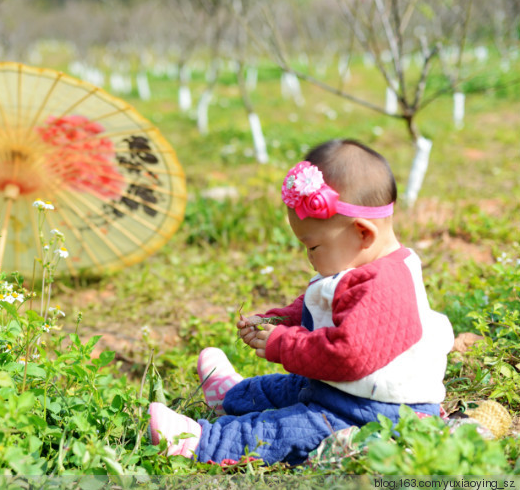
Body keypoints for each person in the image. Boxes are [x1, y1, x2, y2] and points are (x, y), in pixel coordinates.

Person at [148, 139, 454, 465]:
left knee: (292, 428)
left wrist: (284, 344)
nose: (309, 258)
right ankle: (234, 396)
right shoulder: (364, 263)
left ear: (363, 233)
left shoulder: (386, 287)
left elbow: (348, 355)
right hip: (345, 391)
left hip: (378, 414)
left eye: (313, 247)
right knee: (287, 387)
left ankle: (202, 441)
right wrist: (280, 320)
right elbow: (325, 302)